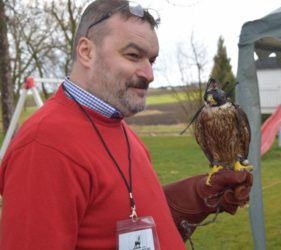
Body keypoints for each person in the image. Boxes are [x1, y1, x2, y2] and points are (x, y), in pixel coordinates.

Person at [0, 0, 253, 249]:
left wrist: (198, 195)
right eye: (134, 55)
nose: (149, 74)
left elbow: (129, 225)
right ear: (87, 52)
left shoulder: (120, 130)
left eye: (151, 60)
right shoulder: (44, 147)